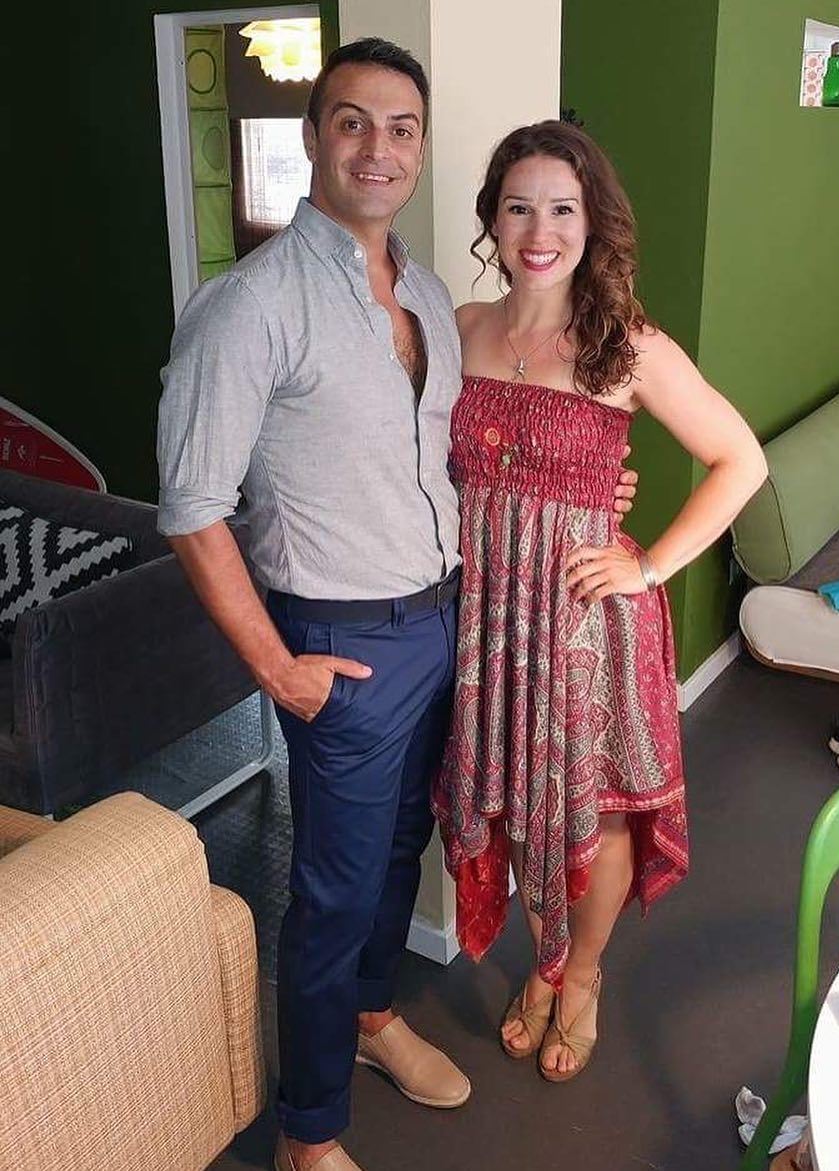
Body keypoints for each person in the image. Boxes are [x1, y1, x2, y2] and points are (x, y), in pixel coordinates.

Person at [157, 38, 638, 1171]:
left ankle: (373, 1017)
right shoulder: (249, 306)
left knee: (397, 852)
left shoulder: (427, 294)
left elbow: (480, 447)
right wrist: (276, 666)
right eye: (353, 122)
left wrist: (593, 489)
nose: (379, 148)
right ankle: (308, 1131)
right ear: (314, 137)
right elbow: (190, 507)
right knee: (331, 889)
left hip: (448, 622)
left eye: (402, 128)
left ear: (420, 149)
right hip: (339, 639)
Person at [432, 120, 768, 1084]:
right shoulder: (460, 327)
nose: (539, 231)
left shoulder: (628, 346)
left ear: (592, 223)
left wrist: (649, 564)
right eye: (519, 207)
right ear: (493, 219)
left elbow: (739, 460)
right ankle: (540, 964)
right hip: (489, 615)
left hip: (583, 621)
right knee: (516, 802)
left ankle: (577, 975)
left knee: (597, 809)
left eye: (561, 209)